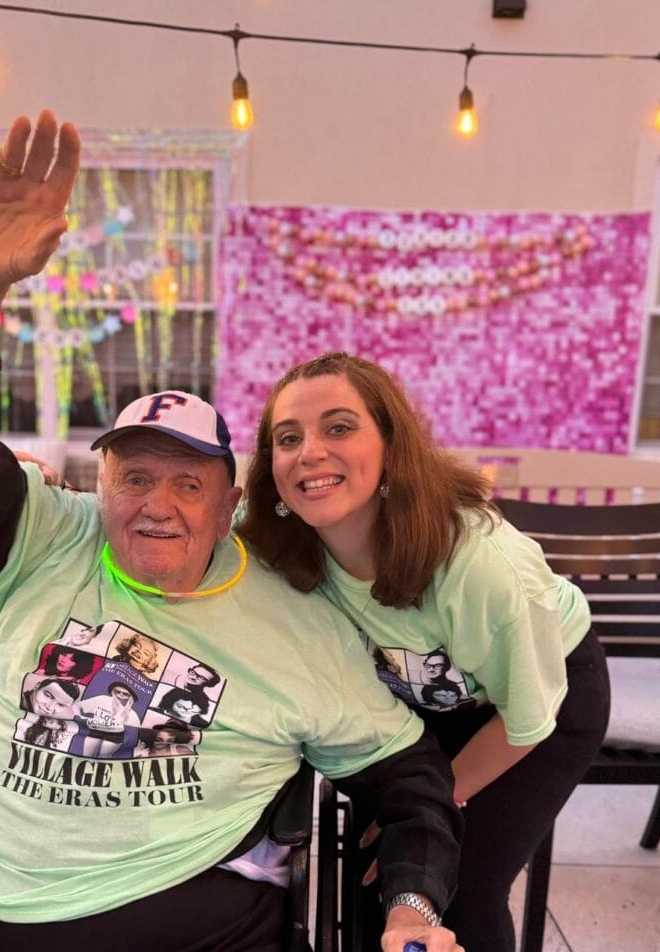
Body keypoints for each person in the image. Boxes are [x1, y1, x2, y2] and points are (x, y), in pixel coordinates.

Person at [0, 110, 464, 952]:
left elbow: (409, 780)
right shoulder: (44, 538)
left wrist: (412, 908)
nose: (156, 504)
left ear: (230, 502)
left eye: (187, 483)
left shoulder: (296, 619)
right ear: (100, 482)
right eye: (133, 477)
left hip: (166, 919)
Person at [237, 350, 611, 952]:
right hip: (417, 709)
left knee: (458, 885)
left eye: (338, 427)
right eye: (288, 438)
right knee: (379, 881)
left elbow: (528, 720)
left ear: (391, 445)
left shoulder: (478, 564)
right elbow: (173, 523)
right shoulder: (280, 539)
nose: (309, 452)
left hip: (535, 705)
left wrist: (435, 803)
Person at [75, 681, 142, 758]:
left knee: (103, 759)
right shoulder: (102, 699)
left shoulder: (133, 715)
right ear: (114, 691)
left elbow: (136, 733)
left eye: (125, 694)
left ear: (130, 697)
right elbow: (78, 706)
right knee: (85, 757)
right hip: (95, 730)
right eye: (118, 691)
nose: (121, 694)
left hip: (115, 737)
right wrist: (82, 718)